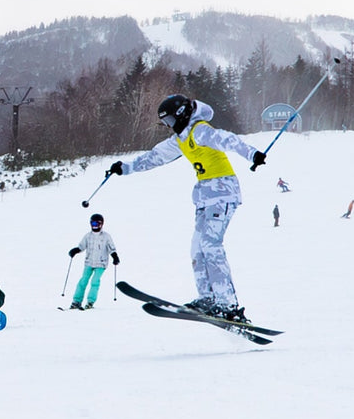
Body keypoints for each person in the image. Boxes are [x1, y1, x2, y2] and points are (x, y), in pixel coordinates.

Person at [107, 94, 264, 322]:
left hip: (222, 192)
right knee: (197, 249)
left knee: (211, 245)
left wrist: (252, 154)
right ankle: (208, 298)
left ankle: (228, 304)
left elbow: (227, 140)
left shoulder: (199, 130)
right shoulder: (180, 138)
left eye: (170, 121)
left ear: (182, 114)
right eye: (167, 123)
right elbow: (155, 157)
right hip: (205, 196)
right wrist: (126, 168)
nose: (170, 126)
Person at [67, 213, 118, 309]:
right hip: (89, 263)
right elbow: (82, 246)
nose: (95, 226)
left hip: (101, 264)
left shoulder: (106, 236)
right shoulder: (88, 236)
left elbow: (112, 248)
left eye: (97, 224)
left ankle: (90, 302)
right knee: (83, 281)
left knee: (95, 281)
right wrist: (75, 250)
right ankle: (76, 301)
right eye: (93, 223)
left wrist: (115, 257)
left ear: (101, 224)